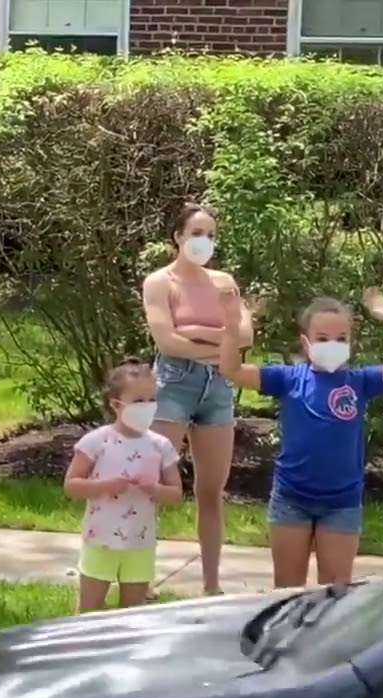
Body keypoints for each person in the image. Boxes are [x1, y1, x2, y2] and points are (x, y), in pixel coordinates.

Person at [216, 288, 383, 588]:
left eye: (341, 338)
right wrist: (231, 327)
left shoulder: (361, 382)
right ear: (306, 342)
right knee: (287, 592)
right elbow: (231, 370)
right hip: (291, 498)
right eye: (323, 338)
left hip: (341, 503)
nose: (333, 345)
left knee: (335, 592)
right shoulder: (287, 379)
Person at [140, 202, 253, 596]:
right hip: (174, 383)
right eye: (197, 233)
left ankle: (211, 584)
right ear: (178, 237)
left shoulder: (224, 282)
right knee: (153, 481)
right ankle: (141, 577)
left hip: (219, 387)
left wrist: (204, 341)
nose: (204, 241)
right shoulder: (160, 282)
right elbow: (166, 340)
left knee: (211, 490)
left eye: (211, 234)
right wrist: (218, 342)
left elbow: (246, 337)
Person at [64, 359, 183, 613]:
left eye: (151, 400)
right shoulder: (96, 441)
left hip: (140, 543)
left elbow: (176, 493)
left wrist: (154, 489)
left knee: (134, 613)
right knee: (90, 608)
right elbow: (72, 485)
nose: (147, 407)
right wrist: (104, 486)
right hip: (101, 540)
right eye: (139, 401)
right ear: (116, 405)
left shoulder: (160, 445)